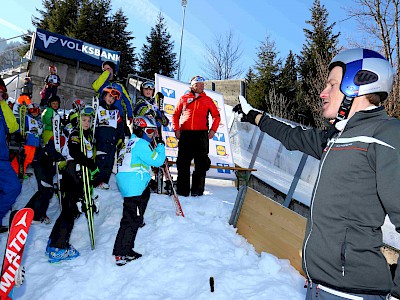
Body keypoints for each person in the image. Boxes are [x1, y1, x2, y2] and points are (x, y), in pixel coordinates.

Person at [238, 48, 400, 299]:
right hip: (317, 286)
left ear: (358, 85)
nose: (323, 93)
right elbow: (292, 136)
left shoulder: (386, 135)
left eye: (332, 85)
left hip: (353, 293)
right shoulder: (336, 137)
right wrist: (256, 117)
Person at [46, 106, 98, 263]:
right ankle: (59, 246)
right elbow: (75, 152)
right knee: (71, 211)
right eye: (83, 120)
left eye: (89, 120)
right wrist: (91, 165)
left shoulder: (87, 137)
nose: (86, 122)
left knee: (69, 210)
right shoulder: (76, 133)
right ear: (78, 121)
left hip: (78, 174)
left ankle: (54, 240)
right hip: (72, 173)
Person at [113, 115, 165, 266]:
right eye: (149, 131)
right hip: (134, 185)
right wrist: (160, 146)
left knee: (134, 217)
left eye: (154, 132)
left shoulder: (130, 143)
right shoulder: (141, 143)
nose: (153, 135)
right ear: (140, 130)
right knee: (130, 219)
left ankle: (127, 249)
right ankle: (121, 253)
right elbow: (157, 160)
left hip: (134, 184)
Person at [172, 75, 221, 197]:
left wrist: (213, 130)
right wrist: (176, 129)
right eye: (199, 85)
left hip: (201, 135)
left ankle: (197, 191)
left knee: (201, 164)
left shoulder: (208, 99)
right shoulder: (184, 98)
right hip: (186, 134)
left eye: (203, 85)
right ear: (193, 86)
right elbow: (175, 114)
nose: (202, 87)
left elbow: (216, 116)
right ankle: (182, 191)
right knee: (183, 163)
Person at [133, 81, 169, 192]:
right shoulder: (140, 101)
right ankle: (143, 181)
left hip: (155, 134)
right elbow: (143, 111)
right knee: (146, 157)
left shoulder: (154, 104)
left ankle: (162, 181)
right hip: (144, 135)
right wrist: (156, 114)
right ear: (142, 90)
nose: (148, 91)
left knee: (159, 156)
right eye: (146, 89)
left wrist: (160, 114)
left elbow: (165, 121)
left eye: (150, 89)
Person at [0, 78, 21, 233]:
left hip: (2, 158)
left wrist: (2, 103)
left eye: (1, 92)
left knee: (13, 187)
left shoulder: (2, 108)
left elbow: (13, 127)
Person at [92, 61, 134, 136]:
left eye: (108, 69)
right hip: (102, 116)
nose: (106, 71)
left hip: (117, 117)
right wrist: (105, 75)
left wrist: (130, 115)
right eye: (104, 70)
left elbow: (128, 101)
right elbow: (95, 87)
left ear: (113, 70)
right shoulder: (101, 84)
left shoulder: (120, 85)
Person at [94, 87, 124, 189]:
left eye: (114, 98)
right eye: (110, 96)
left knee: (110, 162)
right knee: (101, 160)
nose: (111, 99)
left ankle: (105, 181)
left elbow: (120, 125)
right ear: (104, 96)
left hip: (112, 140)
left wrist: (121, 137)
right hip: (101, 140)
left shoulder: (115, 111)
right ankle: (97, 181)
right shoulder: (98, 108)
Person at [11, 104, 43, 178]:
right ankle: (14, 170)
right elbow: (21, 126)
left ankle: (22, 171)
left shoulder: (39, 121)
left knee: (29, 159)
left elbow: (40, 132)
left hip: (34, 143)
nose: (34, 112)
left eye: (36, 110)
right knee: (23, 157)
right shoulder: (27, 118)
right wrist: (18, 134)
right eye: (32, 110)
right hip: (27, 141)